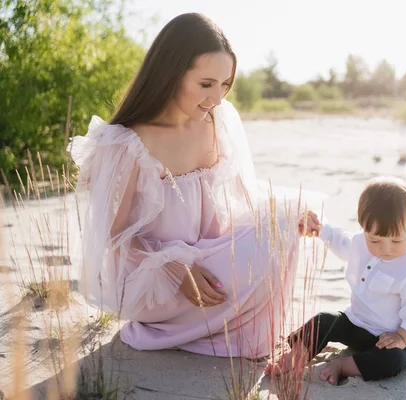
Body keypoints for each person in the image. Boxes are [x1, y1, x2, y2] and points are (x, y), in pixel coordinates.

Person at [68, 13, 317, 358]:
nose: (217, 97)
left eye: (225, 84)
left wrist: (289, 213)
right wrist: (173, 266)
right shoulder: (127, 143)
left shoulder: (218, 120)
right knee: (261, 247)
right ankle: (185, 327)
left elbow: (242, 194)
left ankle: (210, 326)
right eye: (206, 84)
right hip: (157, 279)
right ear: (171, 73)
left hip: (208, 258)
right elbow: (115, 235)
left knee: (283, 226)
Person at [265, 176, 406, 384]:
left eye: (397, 240)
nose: (386, 249)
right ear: (363, 227)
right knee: (323, 320)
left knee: (393, 360)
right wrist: (319, 229)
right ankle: (297, 355)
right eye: (375, 240)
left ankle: (344, 366)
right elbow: (340, 241)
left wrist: (401, 337)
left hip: (393, 338)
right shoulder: (359, 243)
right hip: (354, 323)